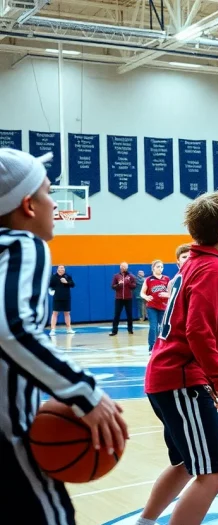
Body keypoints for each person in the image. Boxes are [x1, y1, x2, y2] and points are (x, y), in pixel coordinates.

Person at [0, 148, 128, 525]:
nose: (56, 203)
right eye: (49, 192)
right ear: (28, 205)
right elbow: (11, 326)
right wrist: (84, 392)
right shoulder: (23, 245)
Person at [137, 191, 218, 525]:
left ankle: (145, 522)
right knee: (213, 474)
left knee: (187, 464)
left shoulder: (201, 264)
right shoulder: (211, 268)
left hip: (174, 379)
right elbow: (198, 331)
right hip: (181, 379)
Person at [140, 260, 171, 353]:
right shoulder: (148, 279)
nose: (160, 269)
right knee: (153, 326)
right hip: (152, 306)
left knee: (162, 327)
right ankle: (152, 347)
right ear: (153, 268)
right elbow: (142, 292)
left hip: (163, 306)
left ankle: (161, 345)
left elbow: (170, 293)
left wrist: (167, 295)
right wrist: (146, 296)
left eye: (162, 267)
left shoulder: (167, 279)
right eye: (158, 267)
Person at [110, 262, 136, 336]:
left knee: (129, 315)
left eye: (125, 266)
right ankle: (114, 331)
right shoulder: (116, 276)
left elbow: (134, 286)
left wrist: (129, 283)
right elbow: (112, 286)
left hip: (128, 298)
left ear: (127, 267)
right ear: (120, 267)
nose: (123, 268)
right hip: (119, 298)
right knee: (116, 315)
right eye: (122, 266)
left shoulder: (131, 276)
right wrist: (118, 285)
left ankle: (130, 330)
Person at [49, 264, 76, 335]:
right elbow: (50, 285)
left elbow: (73, 284)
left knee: (67, 313)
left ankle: (69, 329)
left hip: (66, 297)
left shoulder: (67, 276)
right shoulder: (54, 277)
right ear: (57, 269)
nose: (62, 269)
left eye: (63, 268)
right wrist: (51, 291)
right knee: (55, 313)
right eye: (60, 268)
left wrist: (66, 282)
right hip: (57, 297)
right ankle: (53, 330)